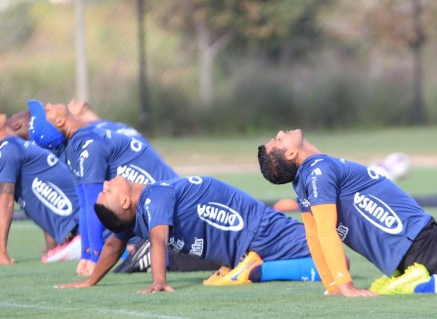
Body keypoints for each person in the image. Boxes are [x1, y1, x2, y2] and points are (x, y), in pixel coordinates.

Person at [257, 129, 437, 297]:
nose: (282, 131)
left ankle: (417, 281)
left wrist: (332, 285)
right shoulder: (319, 169)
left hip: (405, 253)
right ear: (291, 153)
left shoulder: (305, 178)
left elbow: (313, 235)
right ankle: (418, 286)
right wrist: (345, 285)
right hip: (421, 241)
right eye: (279, 139)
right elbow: (324, 232)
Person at [55, 175, 324, 292]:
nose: (105, 184)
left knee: (323, 257)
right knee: (332, 260)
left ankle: (248, 270)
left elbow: (114, 246)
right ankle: (252, 273)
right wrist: (159, 281)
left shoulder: (137, 215)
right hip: (258, 227)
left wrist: (91, 281)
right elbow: (158, 239)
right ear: (125, 202)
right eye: (108, 191)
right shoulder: (153, 196)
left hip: (245, 238)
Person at [27, 100, 179, 275]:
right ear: (60, 122)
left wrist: (88, 256)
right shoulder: (86, 145)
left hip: (169, 206)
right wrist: (91, 257)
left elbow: (87, 206)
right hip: (170, 213)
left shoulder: (79, 143)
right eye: (46, 111)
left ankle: (142, 249)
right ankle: (144, 250)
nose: (48, 105)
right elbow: (90, 205)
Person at [0, 113, 81, 265]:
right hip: (85, 229)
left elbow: (6, 201)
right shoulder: (10, 149)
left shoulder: (10, 148)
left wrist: (1, 252)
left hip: (88, 230)